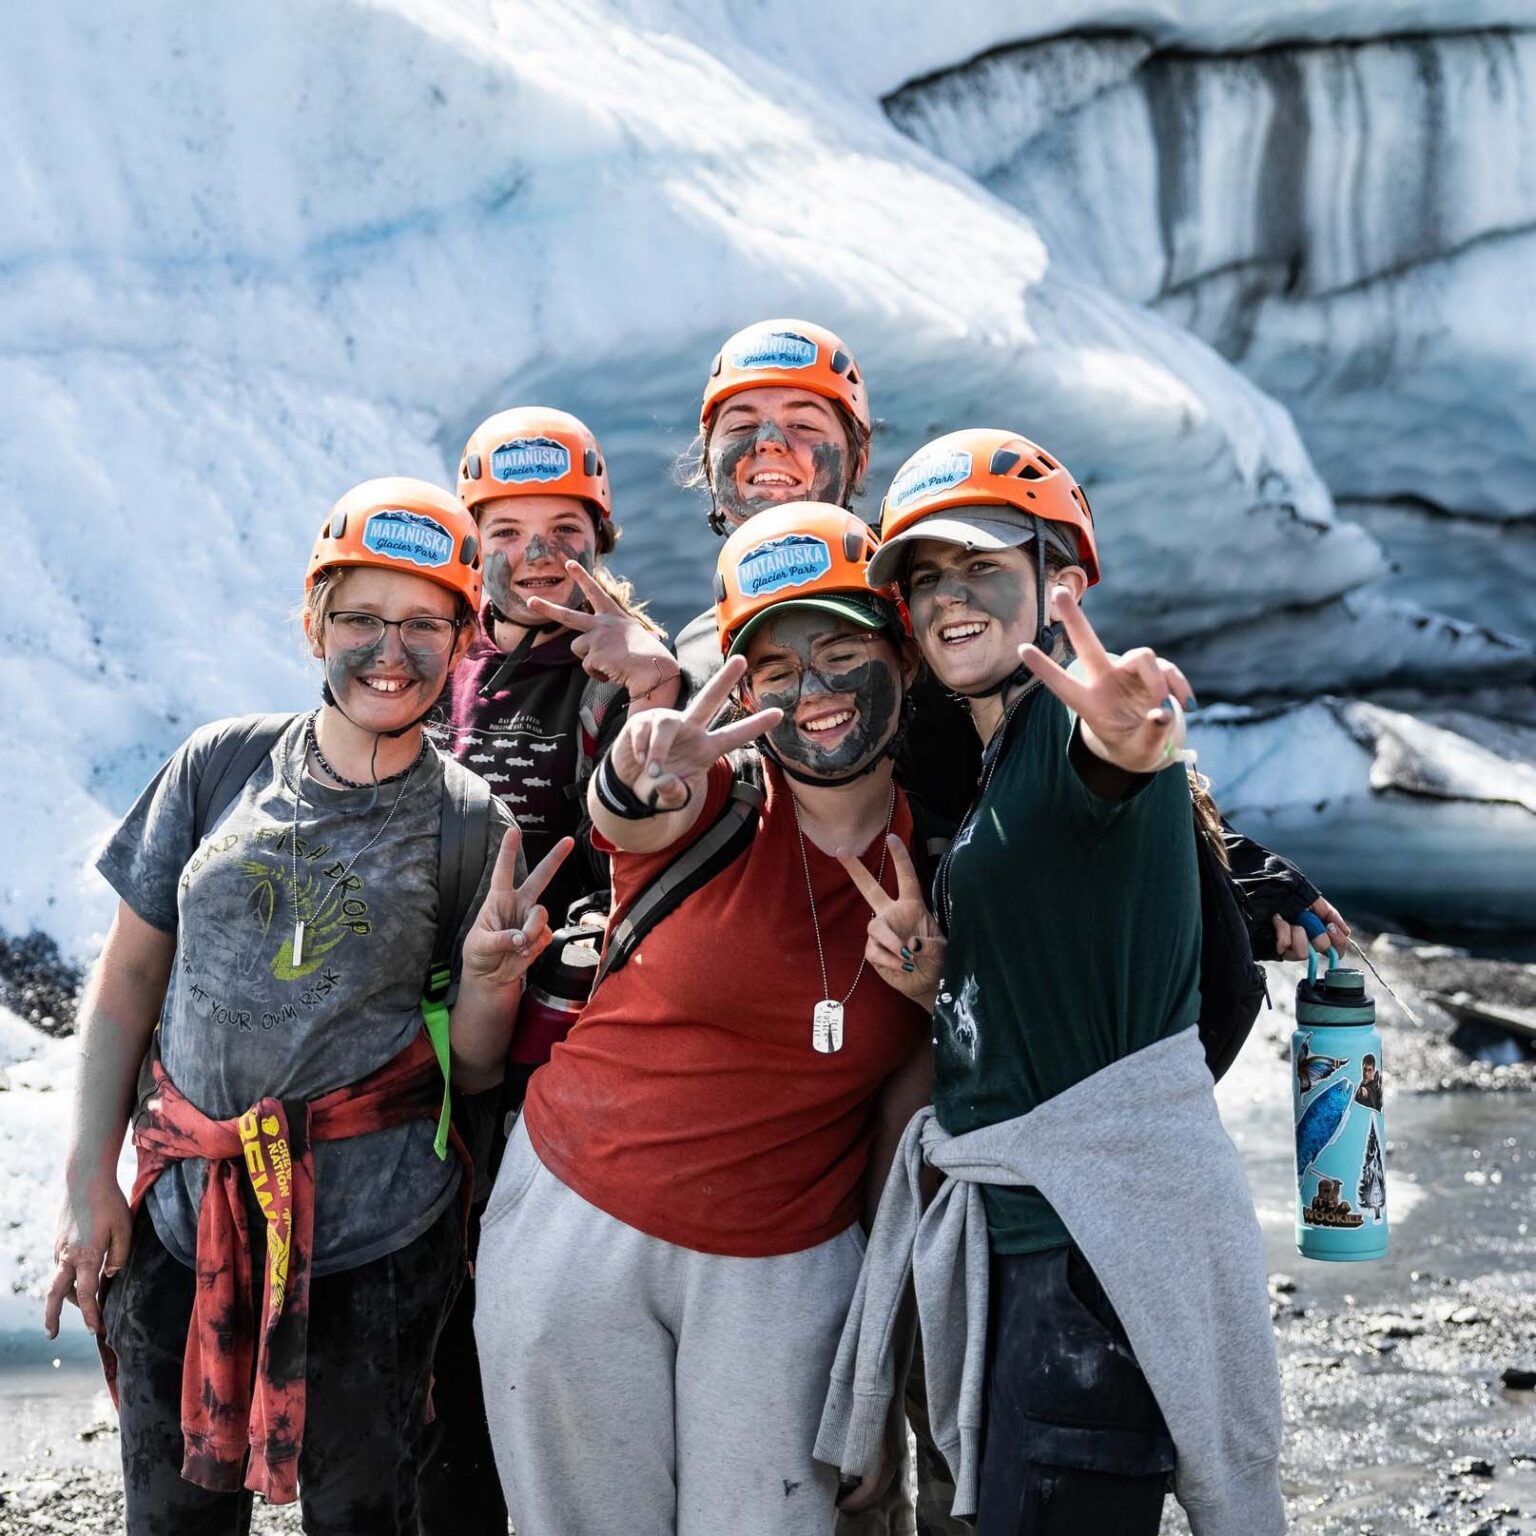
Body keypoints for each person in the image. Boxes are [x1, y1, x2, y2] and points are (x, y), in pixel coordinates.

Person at [818, 431, 1322, 1535]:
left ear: (1065, 585)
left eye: (984, 569)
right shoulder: (995, 762)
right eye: (929, 580)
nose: (952, 599)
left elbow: (1123, 762)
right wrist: (938, 978)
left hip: (1088, 1251)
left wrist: (1138, 740)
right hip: (1040, 1240)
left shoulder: (1068, 736)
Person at [42, 477, 565, 1535]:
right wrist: (88, 1177)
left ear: (465, 636)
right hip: (184, 1220)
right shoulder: (217, 766)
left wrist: (494, 982)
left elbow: (467, 1072)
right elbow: (131, 980)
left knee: (363, 1516)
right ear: (315, 623)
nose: (390, 649)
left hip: (375, 1245)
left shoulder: (469, 824)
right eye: (362, 618)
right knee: (172, 1517)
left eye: (423, 623)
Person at [468, 503, 936, 1535]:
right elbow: (628, 807)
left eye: (841, 649)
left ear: (902, 657)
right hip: (579, 1222)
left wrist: (875, 1352)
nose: (809, 691)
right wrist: (643, 764)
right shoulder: (716, 796)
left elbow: (902, 1122)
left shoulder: (943, 853)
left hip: (787, 1270)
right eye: (773, 669)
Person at [421, 406, 683, 1534]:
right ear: (472, 545)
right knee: (433, 1362)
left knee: (539, 1342)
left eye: (564, 530)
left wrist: (652, 692)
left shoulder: (641, 669)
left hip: (564, 1075)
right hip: (419, 1063)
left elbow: (676, 832)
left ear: (603, 538)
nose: (537, 555)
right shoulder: (426, 667)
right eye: (509, 529)